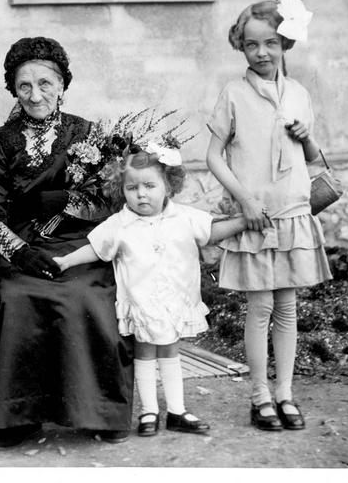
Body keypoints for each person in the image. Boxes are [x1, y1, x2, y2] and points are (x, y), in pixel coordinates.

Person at [0, 36, 133, 448]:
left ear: (63, 84)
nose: (35, 95)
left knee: (84, 295)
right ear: (13, 88)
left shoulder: (87, 134)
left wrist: (68, 200)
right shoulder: (1, 141)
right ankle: (19, 419)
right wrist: (21, 254)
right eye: (24, 85)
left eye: (45, 83)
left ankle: (99, 412)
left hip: (80, 244)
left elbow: (109, 201)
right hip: (23, 245)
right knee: (15, 297)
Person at [54, 143, 250, 437]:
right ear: (122, 189)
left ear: (169, 186)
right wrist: (66, 261)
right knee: (144, 354)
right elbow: (95, 248)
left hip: (174, 301)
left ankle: (176, 411)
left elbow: (213, 232)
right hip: (142, 304)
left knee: (171, 352)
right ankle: (149, 412)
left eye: (149, 185)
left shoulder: (184, 217)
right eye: (132, 187)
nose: (141, 193)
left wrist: (246, 221)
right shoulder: (120, 223)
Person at [205, 0, 332, 432]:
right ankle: (259, 395)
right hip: (256, 216)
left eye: (272, 43)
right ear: (241, 47)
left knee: (288, 308)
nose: (263, 52)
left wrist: (307, 136)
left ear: (285, 45)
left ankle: (285, 394)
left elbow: (314, 160)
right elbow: (214, 156)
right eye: (253, 44)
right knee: (259, 309)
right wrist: (243, 200)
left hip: (293, 212)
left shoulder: (298, 93)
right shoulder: (234, 94)